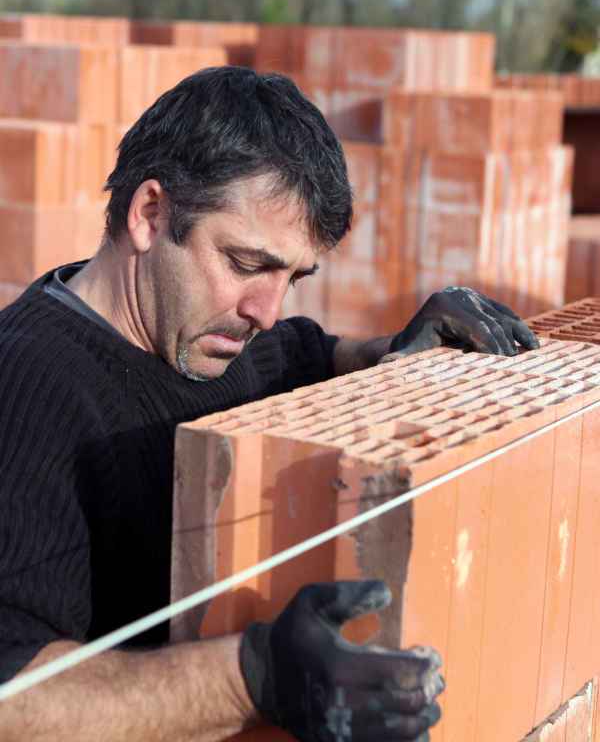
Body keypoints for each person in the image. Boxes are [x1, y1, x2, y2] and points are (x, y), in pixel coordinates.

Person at [0, 66, 538, 741]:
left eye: (294, 277)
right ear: (150, 214)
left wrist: (400, 350)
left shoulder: (216, 335)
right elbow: (10, 701)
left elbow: (308, 353)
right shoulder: (27, 391)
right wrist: (250, 678)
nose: (267, 310)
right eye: (248, 265)